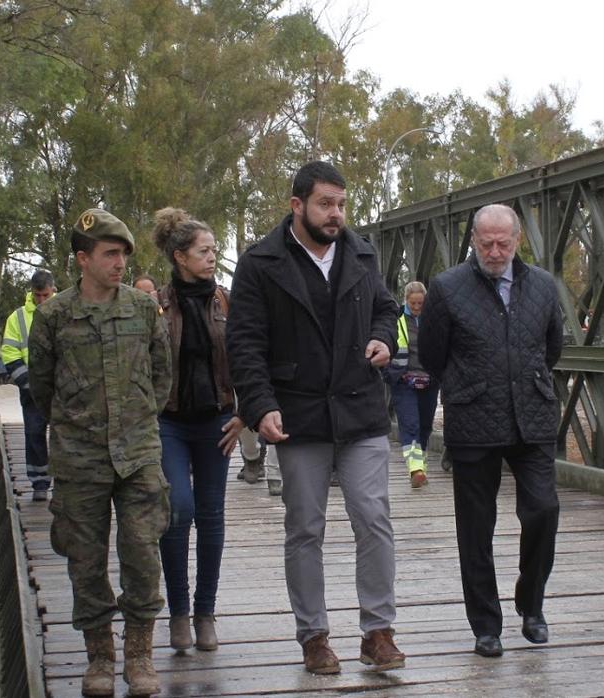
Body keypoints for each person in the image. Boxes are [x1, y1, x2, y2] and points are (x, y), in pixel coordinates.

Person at [226, 161, 405, 674]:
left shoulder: (361, 251)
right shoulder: (260, 263)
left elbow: (387, 308)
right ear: (297, 205)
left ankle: (378, 630)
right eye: (326, 204)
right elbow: (245, 344)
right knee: (305, 527)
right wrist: (259, 405)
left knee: (374, 520)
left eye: (342, 204)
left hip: (360, 410)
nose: (336, 214)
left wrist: (383, 337)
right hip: (297, 413)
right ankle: (315, 636)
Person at [28, 209, 172, 696]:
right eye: (110, 254)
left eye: (124, 255)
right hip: (79, 457)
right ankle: (98, 659)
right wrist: (76, 426)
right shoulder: (53, 316)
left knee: (142, 553)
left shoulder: (141, 310)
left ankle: (139, 656)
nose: (120, 264)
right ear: (83, 259)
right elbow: (42, 387)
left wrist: (137, 420)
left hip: (137, 456)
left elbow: (161, 379)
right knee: (85, 561)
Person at [418, 203, 562, 659]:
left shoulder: (541, 284)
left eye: (503, 243)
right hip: (474, 416)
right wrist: (468, 384)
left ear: (518, 240)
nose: (495, 252)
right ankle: (485, 624)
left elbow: (552, 346)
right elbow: (432, 353)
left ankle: (531, 602)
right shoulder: (446, 287)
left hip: (532, 415)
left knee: (544, 509)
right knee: (476, 529)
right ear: (473, 241)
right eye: (486, 244)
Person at [151, 207, 245, 653]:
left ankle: (205, 612)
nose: (212, 257)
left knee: (211, 516)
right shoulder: (156, 306)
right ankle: (178, 614)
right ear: (179, 257)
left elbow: (248, 360)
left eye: (213, 250)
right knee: (178, 509)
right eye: (203, 251)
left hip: (217, 421)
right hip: (169, 421)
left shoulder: (226, 302)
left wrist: (244, 414)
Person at [2, 269, 56, 501]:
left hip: (62, 391)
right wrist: (29, 383)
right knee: (34, 433)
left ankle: (66, 483)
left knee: (65, 437)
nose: (41, 300)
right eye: (37, 295)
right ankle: (40, 483)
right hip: (31, 390)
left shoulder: (66, 311)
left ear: (53, 290)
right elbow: (9, 352)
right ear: (31, 292)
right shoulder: (18, 318)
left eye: (45, 295)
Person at [386, 281, 438, 489]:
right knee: (410, 424)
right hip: (403, 381)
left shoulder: (433, 320)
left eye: (421, 303)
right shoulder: (395, 320)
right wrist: (389, 374)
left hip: (430, 380)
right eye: (413, 303)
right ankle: (415, 469)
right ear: (406, 300)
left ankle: (421, 463)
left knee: (425, 425)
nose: (417, 307)